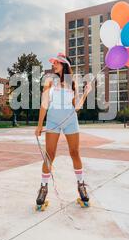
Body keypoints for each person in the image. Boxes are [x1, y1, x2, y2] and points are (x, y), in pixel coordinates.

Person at [35, 52, 92, 209]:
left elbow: (77, 106)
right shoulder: (49, 81)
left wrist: (86, 92)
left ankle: (81, 185)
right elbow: (44, 104)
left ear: (65, 65)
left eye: (57, 63)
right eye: (54, 62)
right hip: (53, 120)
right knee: (50, 155)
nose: (54, 65)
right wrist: (40, 125)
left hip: (70, 121)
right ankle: (43, 187)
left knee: (75, 152)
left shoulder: (72, 82)